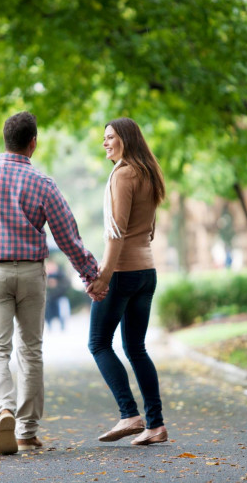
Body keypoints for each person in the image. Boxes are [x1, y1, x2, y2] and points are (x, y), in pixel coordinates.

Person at [0, 111, 106, 455]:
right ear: (33, 143)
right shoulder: (43, 183)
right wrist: (90, 274)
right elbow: (68, 236)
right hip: (30, 273)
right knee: (30, 350)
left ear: (5, 139)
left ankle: (3, 410)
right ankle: (26, 431)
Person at [86, 117, 169, 446]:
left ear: (127, 140)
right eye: (104, 138)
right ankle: (156, 425)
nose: (105, 143)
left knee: (98, 343)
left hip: (122, 272)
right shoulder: (148, 172)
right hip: (146, 272)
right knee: (135, 347)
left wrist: (103, 276)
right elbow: (147, 229)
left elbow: (116, 231)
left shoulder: (123, 173)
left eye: (111, 137)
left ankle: (129, 414)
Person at [44, 257, 71, 332]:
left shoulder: (61, 274)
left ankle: (62, 323)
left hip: (59, 296)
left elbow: (66, 285)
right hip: (49, 298)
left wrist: (56, 287)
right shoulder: (45, 276)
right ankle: (49, 323)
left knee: (62, 303)